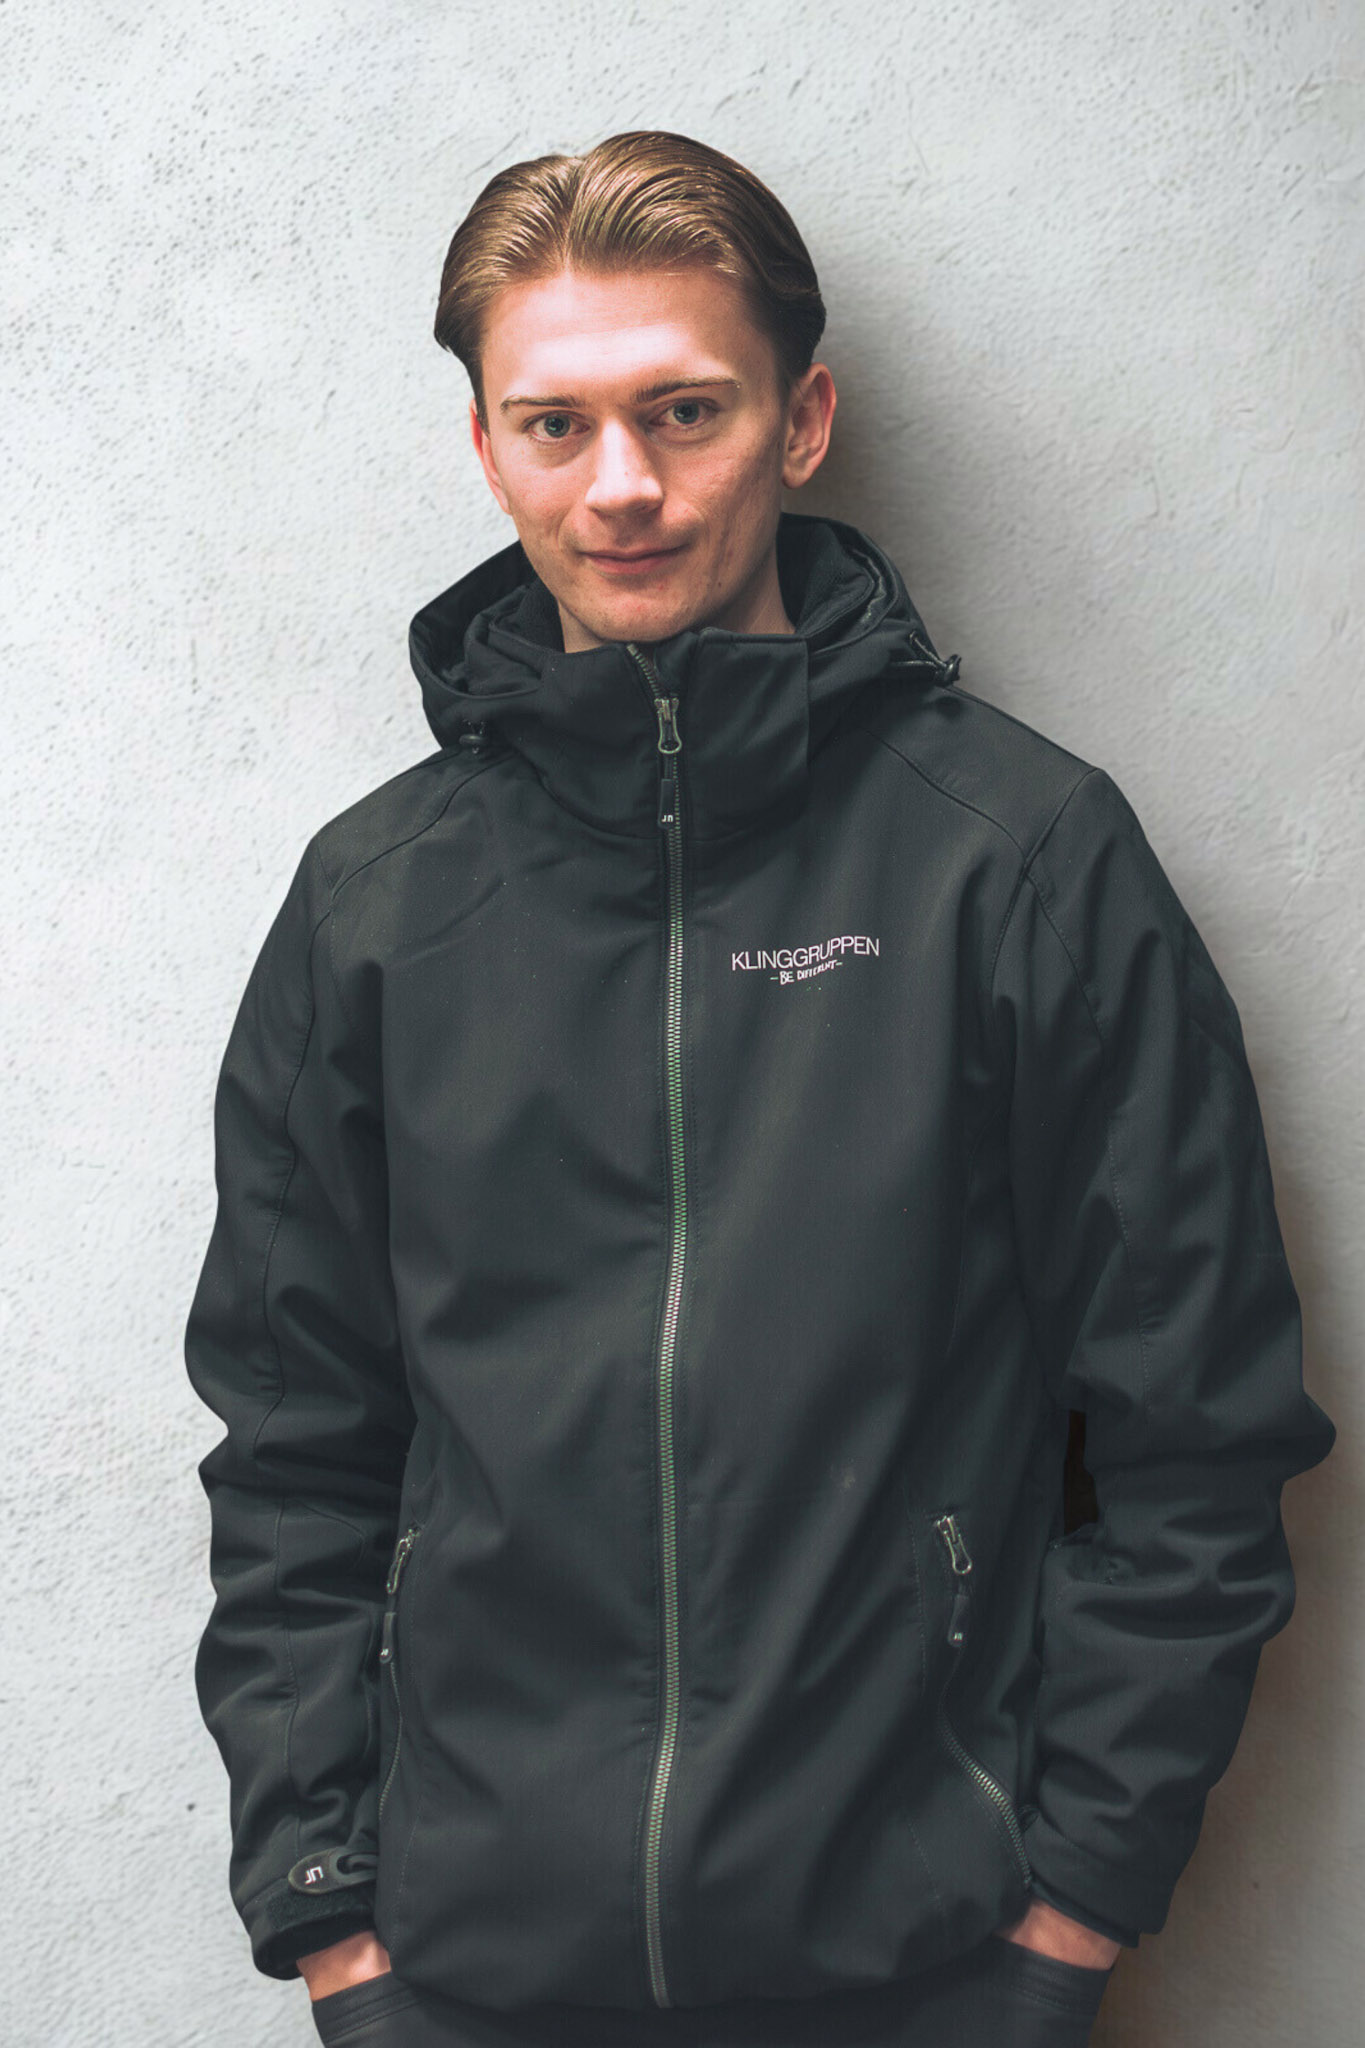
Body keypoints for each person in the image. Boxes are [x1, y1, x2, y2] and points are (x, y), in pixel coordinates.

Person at [183, 130, 1336, 2048]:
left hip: (922, 1969)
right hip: (469, 1980)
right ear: (486, 450)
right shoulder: (376, 906)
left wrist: (1067, 1918)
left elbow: (1196, 1431)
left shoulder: (1014, 863)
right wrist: (334, 1929)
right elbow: (295, 1445)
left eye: (683, 412)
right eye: (554, 424)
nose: (620, 484)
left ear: (799, 423)